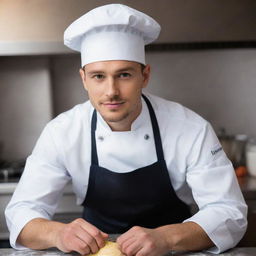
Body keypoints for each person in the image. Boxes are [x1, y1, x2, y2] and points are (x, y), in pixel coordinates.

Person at [5, 3, 247, 256]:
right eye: (99, 76)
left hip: (174, 252)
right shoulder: (62, 132)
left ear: (145, 76)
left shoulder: (190, 129)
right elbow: (21, 213)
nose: (111, 91)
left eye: (124, 75)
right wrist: (58, 233)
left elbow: (229, 212)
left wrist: (168, 237)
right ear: (84, 79)